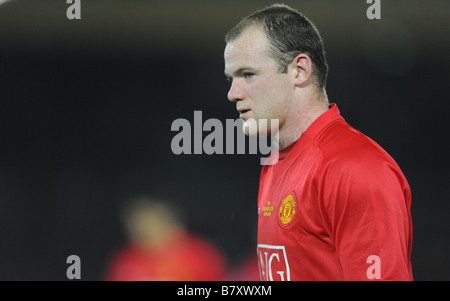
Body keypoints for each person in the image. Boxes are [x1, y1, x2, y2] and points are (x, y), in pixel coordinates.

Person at [223, 4, 413, 280]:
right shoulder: (277, 164)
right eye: (231, 78)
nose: (232, 93)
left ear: (299, 71)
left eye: (248, 75)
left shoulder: (355, 168)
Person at [104, 195, 227, 281]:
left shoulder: (200, 254)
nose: (143, 231)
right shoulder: (125, 258)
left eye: (150, 223)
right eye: (135, 226)